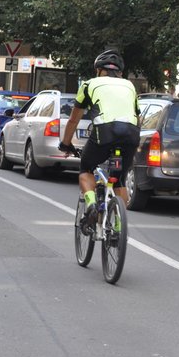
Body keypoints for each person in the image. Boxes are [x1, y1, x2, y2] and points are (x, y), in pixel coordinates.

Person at [58, 50, 140, 228]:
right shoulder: (130, 86)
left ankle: (91, 204)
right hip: (131, 134)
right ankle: (119, 227)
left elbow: (74, 119)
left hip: (105, 132)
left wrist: (65, 144)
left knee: (86, 168)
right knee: (119, 179)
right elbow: (136, 115)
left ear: (98, 70)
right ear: (120, 72)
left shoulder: (89, 84)